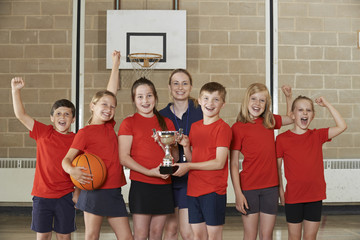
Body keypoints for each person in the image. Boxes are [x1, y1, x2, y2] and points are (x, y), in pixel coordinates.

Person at [62, 51, 133, 240]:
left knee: (127, 237)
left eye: (112, 107)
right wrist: (73, 171)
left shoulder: (110, 126)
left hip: (114, 190)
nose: (108, 109)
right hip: (94, 190)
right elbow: (66, 160)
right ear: (93, 106)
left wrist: (116, 65)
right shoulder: (85, 133)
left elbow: (111, 92)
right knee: (92, 236)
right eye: (103, 105)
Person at [11, 76, 76, 240]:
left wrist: (79, 192)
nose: (62, 117)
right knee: (43, 236)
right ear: (52, 118)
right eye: (58, 113)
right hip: (42, 195)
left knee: (64, 236)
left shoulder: (77, 139)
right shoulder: (43, 132)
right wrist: (15, 91)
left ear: (73, 119)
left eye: (67, 114)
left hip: (66, 195)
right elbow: (21, 115)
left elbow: (84, 168)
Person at [276, 96, 347, 240]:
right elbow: (277, 168)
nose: (305, 113)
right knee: (294, 237)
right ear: (292, 115)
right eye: (300, 110)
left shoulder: (317, 135)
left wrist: (327, 104)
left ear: (313, 116)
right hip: (293, 196)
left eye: (308, 110)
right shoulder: (282, 139)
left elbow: (342, 126)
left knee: (310, 237)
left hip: (314, 195)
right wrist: (281, 191)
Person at [230, 83, 293, 240]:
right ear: (246, 100)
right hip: (249, 188)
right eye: (253, 99)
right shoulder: (238, 127)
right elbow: (234, 164)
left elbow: (292, 118)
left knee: (267, 235)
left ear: (267, 104)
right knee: (250, 235)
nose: (257, 104)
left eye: (262, 100)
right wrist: (238, 194)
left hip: (270, 188)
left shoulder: (269, 121)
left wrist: (289, 97)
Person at [118, 77, 179, 240]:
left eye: (149, 96)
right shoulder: (128, 122)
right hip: (141, 186)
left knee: (156, 234)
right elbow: (123, 158)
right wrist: (150, 172)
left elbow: (175, 157)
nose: (145, 100)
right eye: (140, 96)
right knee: (140, 234)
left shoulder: (166, 123)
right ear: (134, 99)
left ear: (155, 97)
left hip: (164, 184)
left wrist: (172, 145)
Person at [172, 82, 232, 240]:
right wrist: (186, 147)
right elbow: (193, 160)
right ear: (199, 100)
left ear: (223, 104)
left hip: (213, 190)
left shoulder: (223, 128)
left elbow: (219, 162)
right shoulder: (195, 127)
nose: (210, 103)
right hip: (193, 190)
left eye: (215, 100)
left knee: (213, 236)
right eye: (206, 98)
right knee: (198, 236)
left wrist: (189, 165)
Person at [159, 69, 203, 240]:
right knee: (170, 230)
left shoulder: (200, 111)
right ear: (169, 87)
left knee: (187, 232)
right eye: (175, 83)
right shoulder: (162, 115)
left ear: (191, 87)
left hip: (191, 178)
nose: (180, 87)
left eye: (184, 83)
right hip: (168, 179)